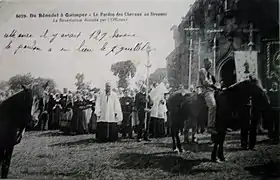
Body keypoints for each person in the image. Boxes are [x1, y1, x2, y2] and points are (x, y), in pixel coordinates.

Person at [199, 58, 218, 134]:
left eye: (211, 64)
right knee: (213, 106)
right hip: (205, 90)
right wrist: (214, 86)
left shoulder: (208, 73)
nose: (210, 65)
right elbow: (205, 82)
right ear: (205, 63)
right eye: (209, 63)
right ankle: (210, 127)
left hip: (211, 90)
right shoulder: (202, 71)